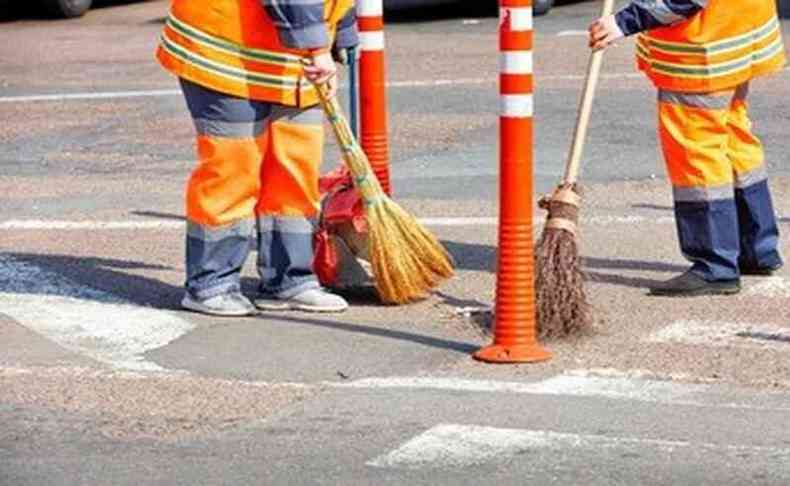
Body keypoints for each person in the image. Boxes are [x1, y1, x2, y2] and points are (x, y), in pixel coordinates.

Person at [156, 0, 358, 315]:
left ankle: (290, 280)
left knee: (294, 168)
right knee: (234, 167)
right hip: (225, 51)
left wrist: (343, 28)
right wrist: (318, 47)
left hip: (291, 59)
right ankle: (211, 283)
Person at [589, 0, 785, 296]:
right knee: (733, 137)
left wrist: (623, 22)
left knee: (698, 154)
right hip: (739, 35)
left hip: (704, 51)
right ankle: (755, 248)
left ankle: (715, 264)